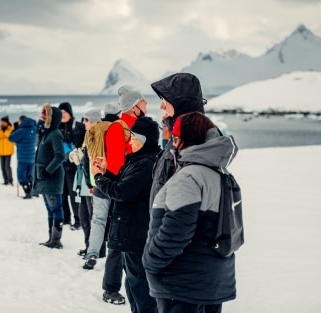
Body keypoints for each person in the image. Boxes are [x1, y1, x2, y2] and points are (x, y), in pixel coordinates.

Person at [143, 112, 238, 313]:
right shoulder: (222, 174)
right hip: (212, 280)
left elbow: (176, 231)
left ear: (188, 139)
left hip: (182, 284)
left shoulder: (189, 177)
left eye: (176, 138)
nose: (173, 144)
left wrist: (150, 262)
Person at [84, 85, 148, 306]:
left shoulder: (135, 126)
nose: (147, 104)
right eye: (143, 101)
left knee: (124, 240)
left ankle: (126, 286)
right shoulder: (119, 128)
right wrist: (123, 184)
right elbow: (117, 164)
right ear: (133, 106)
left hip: (129, 189)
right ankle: (110, 288)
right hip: (119, 190)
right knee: (117, 241)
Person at [91, 117, 160, 313]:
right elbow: (124, 184)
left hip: (136, 232)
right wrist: (106, 173)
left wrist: (98, 178)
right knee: (133, 285)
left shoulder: (146, 164)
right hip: (132, 231)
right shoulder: (139, 160)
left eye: (134, 138)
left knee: (140, 286)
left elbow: (122, 192)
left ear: (145, 139)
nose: (130, 141)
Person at [149, 73, 206, 206]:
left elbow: (187, 203)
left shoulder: (191, 140)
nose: (161, 107)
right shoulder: (179, 135)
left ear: (180, 103)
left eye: (164, 101)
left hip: (171, 224)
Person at [33, 103, 65, 249]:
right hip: (44, 177)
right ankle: (51, 238)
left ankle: (56, 240)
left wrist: (48, 170)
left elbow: (60, 156)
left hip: (52, 177)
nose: (42, 116)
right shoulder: (46, 133)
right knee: (50, 208)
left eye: (45, 114)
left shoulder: (56, 134)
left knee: (56, 207)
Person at [75, 108, 106, 258]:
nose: (83, 123)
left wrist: (93, 183)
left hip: (95, 183)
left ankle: (97, 250)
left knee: (95, 218)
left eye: (86, 120)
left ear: (93, 121)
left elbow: (96, 160)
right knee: (85, 217)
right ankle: (90, 247)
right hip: (87, 182)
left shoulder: (98, 137)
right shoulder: (89, 136)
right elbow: (86, 158)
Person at [59, 102, 86, 229]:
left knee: (74, 194)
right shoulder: (58, 127)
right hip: (60, 167)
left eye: (65, 112)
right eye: (61, 113)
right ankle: (65, 219)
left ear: (70, 113)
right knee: (62, 194)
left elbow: (83, 145)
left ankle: (78, 220)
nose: (62, 115)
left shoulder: (78, 126)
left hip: (73, 167)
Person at [9, 115, 37, 199]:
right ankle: (33, 191)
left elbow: (11, 138)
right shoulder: (34, 129)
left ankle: (28, 192)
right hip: (32, 157)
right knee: (30, 175)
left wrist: (15, 129)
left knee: (21, 176)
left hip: (22, 158)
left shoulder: (21, 131)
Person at [0, 116, 15, 185]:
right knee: (2, 167)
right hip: (1, 151)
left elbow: (8, 135)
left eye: (3, 122)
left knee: (7, 166)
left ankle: (10, 180)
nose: (1, 123)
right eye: (1, 122)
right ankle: (5, 180)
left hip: (8, 151)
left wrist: (2, 132)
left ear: (6, 122)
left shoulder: (11, 129)